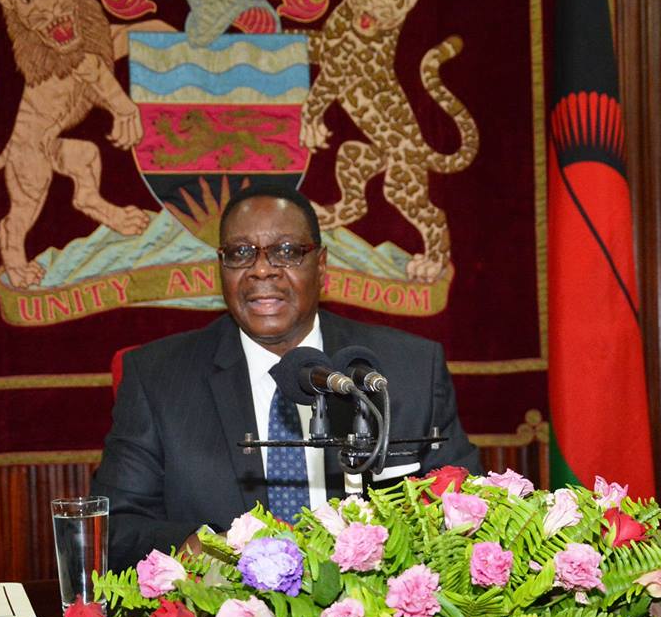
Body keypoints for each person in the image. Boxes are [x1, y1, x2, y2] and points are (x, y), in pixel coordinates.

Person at [92, 185, 482, 569]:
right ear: (220, 267)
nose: (262, 269)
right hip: (221, 605)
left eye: (287, 251)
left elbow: (470, 508)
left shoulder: (408, 369)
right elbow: (116, 527)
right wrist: (204, 552)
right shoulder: (157, 378)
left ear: (321, 265)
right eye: (240, 253)